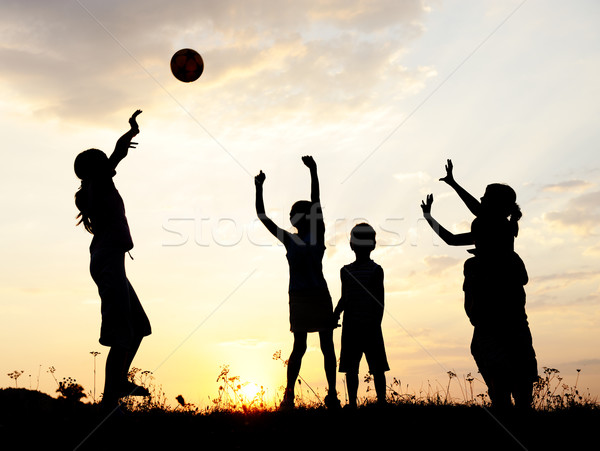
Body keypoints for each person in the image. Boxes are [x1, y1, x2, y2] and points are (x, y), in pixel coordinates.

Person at [420, 159, 537, 410]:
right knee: (506, 359)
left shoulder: (497, 227)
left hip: (497, 309)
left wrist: (446, 195)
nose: (481, 200)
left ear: (497, 206)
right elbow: (453, 237)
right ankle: (511, 402)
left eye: (485, 197)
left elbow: (455, 234)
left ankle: (509, 403)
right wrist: (449, 189)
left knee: (500, 359)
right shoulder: (495, 226)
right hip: (500, 310)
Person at [74, 109, 151, 413]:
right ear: (94, 167)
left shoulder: (98, 185)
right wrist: (131, 131)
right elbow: (118, 153)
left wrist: (130, 133)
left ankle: (118, 383)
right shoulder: (100, 182)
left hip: (110, 262)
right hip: (108, 264)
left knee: (139, 326)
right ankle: (109, 401)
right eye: (99, 157)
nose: (105, 158)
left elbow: (114, 155)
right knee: (122, 332)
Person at [254, 156, 340, 409]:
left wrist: (314, 170)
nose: (290, 216)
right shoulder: (289, 239)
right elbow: (262, 216)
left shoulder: (318, 232)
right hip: (300, 298)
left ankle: (333, 395)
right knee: (299, 346)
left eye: (293, 212)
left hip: (318, 295)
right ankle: (289, 395)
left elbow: (316, 202)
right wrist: (259, 188)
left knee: (327, 346)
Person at [333, 223, 389, 408]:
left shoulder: (373, 271)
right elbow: (347, 298)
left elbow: (376, 301)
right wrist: (336, 313)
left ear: (351, 244)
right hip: (358, 326)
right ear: (373, 244)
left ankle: (371, 402)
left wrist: (336, 313)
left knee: (371, 368)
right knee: (357, 368)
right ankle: (359, 403)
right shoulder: (347, 271)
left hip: (362, 326)